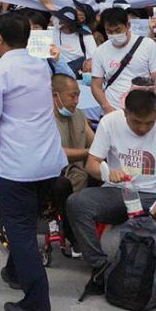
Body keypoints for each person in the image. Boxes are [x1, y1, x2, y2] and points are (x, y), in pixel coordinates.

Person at [67, 89, 156, 311]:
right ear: (125, 113)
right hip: (120, 193)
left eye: (149, 123)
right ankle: (100, 269)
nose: (143, 128)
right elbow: (92, 164)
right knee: (77, 203)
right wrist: (107, 173)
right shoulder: (110, 122)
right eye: (136, 123)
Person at [0, 13, 68, 311]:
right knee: (25, 222)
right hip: (49, 162)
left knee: (20, 231)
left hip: (19, 165)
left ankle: (37, 303)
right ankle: (14, 271)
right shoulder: (38, 64)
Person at [50, 73, 97, 255]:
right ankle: (75, 235)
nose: (77, 100)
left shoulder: (78, 115)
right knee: (65, 185)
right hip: (55, 173)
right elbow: (57, 153)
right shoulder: (43, 118)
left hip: (79, 171)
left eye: (78, 95)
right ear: (56, 95)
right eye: (72, 95)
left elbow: (95, 143)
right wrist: (89, 153)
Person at [90, 7, 156, 114]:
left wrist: (153, 104)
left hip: (143, 109)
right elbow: (96, 85)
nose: (114, 35)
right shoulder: (99, 51)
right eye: (109, 31)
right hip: (113, 109)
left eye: (118, 30)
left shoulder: (148, 45)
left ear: (128, 26)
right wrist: (106, 106)